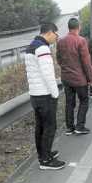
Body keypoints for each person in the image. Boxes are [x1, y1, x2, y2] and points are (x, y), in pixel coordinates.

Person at [25, 23, 65, 170]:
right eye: (56, 34)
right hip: (45, 95)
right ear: (50, 32)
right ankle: (46, 161)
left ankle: (43, 154)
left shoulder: (31, 46)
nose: (57, 37)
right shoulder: (43, 48)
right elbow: (48, 75)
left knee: (40, 126)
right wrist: (55, 94)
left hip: (35, 95)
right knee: (50, 127)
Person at [57, 18, 92, 136]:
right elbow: (86, 63)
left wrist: (65, 68)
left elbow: (58, 59)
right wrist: (91, 80)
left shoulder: (60, 41)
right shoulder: (81, 41)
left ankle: (69, 128)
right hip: (80, 79)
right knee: (84, 101)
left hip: (66, 78)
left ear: (69, 27)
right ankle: (80, 126)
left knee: (69, 102)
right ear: (79, 27)